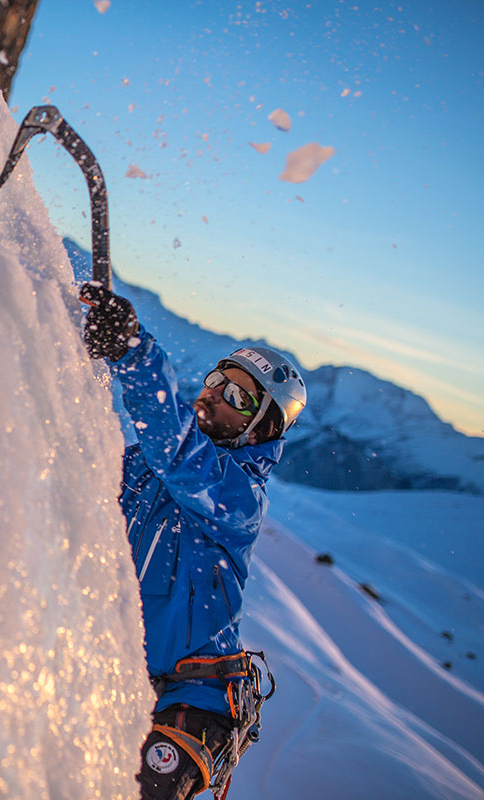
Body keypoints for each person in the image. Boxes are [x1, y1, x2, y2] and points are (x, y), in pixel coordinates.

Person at [79, 283, 307, 800]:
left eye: (239, 397)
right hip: (119, 670)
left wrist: (132, 351)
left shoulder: (237, 495)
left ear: (258, 430)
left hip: (193, 698)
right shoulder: (142, 464)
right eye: (217, 379)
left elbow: (178, 451)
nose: (215, 393)